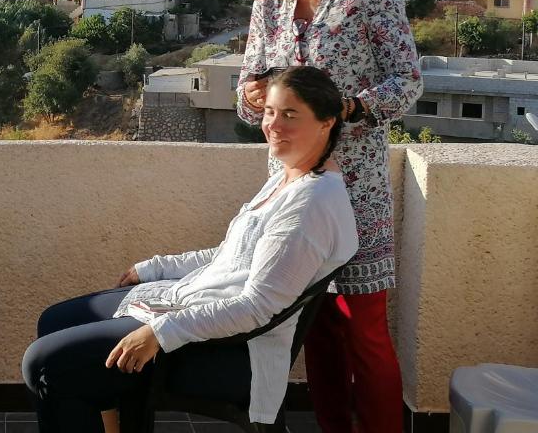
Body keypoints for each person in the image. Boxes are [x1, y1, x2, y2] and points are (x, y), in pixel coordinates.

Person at [22, 66, 359, 433]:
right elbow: (234, 255)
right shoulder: (290, 175)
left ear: (326, 122)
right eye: (270, 112)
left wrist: (159, 331)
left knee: (45, 364)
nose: (273, 125)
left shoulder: (310, 205)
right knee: (53, 322)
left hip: (229, 352)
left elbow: (258, 308)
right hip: (196, 304)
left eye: (290, 115)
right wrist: (155, 268)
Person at [237, 0, 423, 433]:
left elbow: (407, 81)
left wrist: (352, 107)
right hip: (291, 190)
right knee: (311, 323)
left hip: (357, 182)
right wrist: (250, 97)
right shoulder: (268, 6)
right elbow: (250, 92)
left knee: (365, 326)